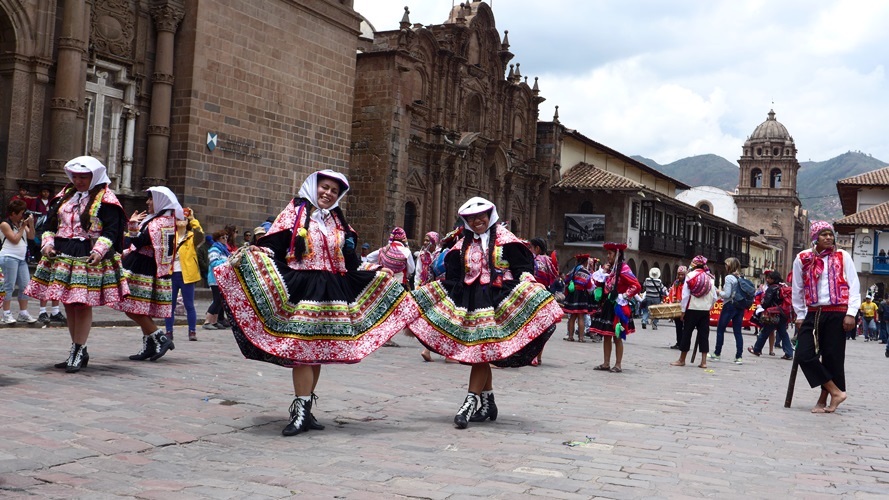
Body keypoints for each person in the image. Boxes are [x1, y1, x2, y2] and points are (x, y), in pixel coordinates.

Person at [214, 169, 417, 436]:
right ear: (313, 186)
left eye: (334, 190)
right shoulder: (295, 213)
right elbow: (275, 244)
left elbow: (350, 261)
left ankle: (306, 409)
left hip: (330, 290)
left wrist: (375, 270)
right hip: (303, 287)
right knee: (302, 353)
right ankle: (299, 411)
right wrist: (258, 252)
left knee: (317, 350)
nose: (328, 193)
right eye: (325, 187)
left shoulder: (339, 223)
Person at [409, 196, 561, 429]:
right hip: (470, 303)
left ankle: (468, 403)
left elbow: (523, 269)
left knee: (480, 351)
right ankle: (488, 403)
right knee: (481, 352)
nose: (478, 220)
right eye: (472, 218)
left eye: (481, 216)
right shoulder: (462, 245)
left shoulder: (507, 241)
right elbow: (454, 275)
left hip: (497, 301)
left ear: (491, 216)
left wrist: (531, 284)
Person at [24, 156, 128, 373]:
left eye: (84, 177)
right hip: (62, 252)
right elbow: (51, 224)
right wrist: (47, 244)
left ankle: (79, 349)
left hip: (86, 254)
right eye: (76, 176)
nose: (79, 181)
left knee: (82, 303)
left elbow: (111, 230)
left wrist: (99, 251)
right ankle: (77, 348)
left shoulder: (106, 199)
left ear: (94, 176)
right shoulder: (65, 196)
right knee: (69, 303)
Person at [792, 220, 859, 413]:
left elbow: (854, 286)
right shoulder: (802, 258)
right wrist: (799, 314)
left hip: (837, 312)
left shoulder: (842, 256)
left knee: (832, 358)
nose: (829, 237)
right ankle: (836, 391)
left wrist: (851, 313)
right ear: (815, 237)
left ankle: (825, 399)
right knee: (804, 355)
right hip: (812, 313)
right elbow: (797, 288)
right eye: (824, 234)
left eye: (831, 234)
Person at [110, 187, 181, 362]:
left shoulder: (160, 222)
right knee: (139, 307)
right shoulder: (158, 220)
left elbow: (141, 241)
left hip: (144, 267)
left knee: (131, 305)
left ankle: (160, 337)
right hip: (144, 265)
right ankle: (150, 345)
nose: (148, 202)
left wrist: (132, 225)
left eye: (151, 199)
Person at [589, 242, 641, 373]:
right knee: (606, 335)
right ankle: (606, 363)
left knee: (617, 335)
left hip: (618, 305)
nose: (608, 256)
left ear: (617, 255)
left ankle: (618, 364)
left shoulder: (624, 269)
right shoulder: (610, 269)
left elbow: (636, 285)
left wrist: (624, 296)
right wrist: (603, 272)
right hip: (607, 304)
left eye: (610, 254)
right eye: (608, 253)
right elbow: (599, 284)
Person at [671, 256, 717, 368]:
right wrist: (708, 307)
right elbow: (714, 297)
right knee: (704, 335)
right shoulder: (710, 277)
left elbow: (685, 295)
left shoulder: (690, 276)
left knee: (687, 333)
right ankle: (704, 362)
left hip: (692, 309)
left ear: (694, 264)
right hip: (704, 311)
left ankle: (682, 359)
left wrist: (682, 311)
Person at [165, 208, 203, 341]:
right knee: (170, 305)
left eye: (184, 219)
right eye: (179, 218)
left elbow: (200, 233)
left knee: (189, 305)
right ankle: (168, 331)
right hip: (172, 273)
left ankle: (192, 331)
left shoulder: (192, 237)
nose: (182, 221)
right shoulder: (170, 236)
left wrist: (193, 219)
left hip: (187, 274)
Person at [0, 199, 38, 324]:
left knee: (25, 286)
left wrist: (30, 224)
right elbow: (15, 239)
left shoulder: (22, 224)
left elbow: (32, 237)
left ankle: (23, 312)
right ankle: (6, 313)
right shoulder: (5, 224)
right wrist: (22, 227)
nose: (22, 215)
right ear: (13, 213)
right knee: (9, 286)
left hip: (21, 259)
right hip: (9, 257)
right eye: (21, 213)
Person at [748, 270, 794, 360]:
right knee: (783, 333)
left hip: (773, 314)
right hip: (782, 313)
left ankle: (757, 349)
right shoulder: (782, 287)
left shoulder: (772, 288)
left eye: (769, 278)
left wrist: (762, 306)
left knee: (765, 331)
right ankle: (789, 353)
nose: (767, 280)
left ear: (773, 279)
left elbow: (766, 302)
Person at [530, 237, 559, 365]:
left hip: (534, 293)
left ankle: (532, 356)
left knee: (532, 326)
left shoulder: (535, 260)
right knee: (541, 327)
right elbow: (553, 276)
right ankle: (539, 356)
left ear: (537, 248)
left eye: (532, 247)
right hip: (546, 294)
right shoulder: (549, 261)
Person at [712, 257, 746, 364]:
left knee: (720, 329)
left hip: (729, 306)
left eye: (727, 265)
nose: (725, 267)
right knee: (737, 332)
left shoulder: (729, 278)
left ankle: (717, 353)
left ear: (730, 266)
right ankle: (739, 356)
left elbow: (727, 294)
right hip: (739, 306)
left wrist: (718, 292)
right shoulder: (741, 277)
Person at [414, 231, 441, 363]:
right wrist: (417, 289)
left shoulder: (440, 254)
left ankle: (429, 350)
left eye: (428, 240)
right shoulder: (421, 255)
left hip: (438, 290)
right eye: (424, 240)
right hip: (426, 290)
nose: (425, 242)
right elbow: (418, 273)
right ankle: (427, 349)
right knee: (433, 321)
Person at [562, 254, 593, 342]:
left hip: (573, 294)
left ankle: (570, 336)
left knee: (572, 316)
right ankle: (581, 338)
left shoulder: (574, 269)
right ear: (585, 261)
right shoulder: (585, 271)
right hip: (581, 294)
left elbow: (566, 279)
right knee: (580, 316)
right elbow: (589, 285)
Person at [203, 231, 230, 329]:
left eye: (226, 237)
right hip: (215, 279)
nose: (225, 239)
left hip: (222, 279)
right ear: (218, 239)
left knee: (220, 301)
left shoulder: (224, 250)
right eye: (223, 237)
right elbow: (214, 263)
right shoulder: (214, 249)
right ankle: (207, 322)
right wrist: (227, 261)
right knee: (217, 300)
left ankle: (214, 322)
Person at [666, 266, 687, 349]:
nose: (681, 276)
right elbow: (672, 292)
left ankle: (684, 343)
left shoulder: (687, 283)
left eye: (682, 275)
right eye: (679, 274)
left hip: (685, 307)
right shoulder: (676, 283)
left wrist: (681, 301)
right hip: (676, 307)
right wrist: (673, 301)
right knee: (678, 326)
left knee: (685, 327)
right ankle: (679, 342)